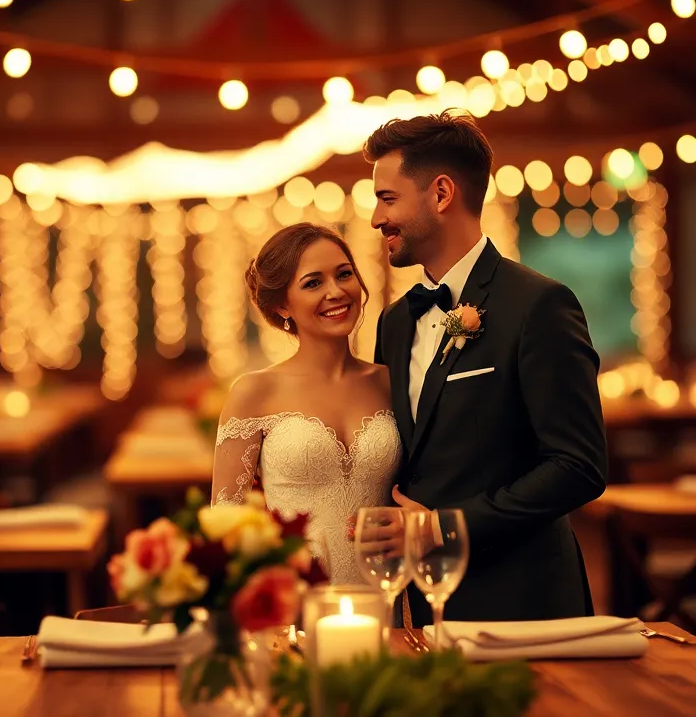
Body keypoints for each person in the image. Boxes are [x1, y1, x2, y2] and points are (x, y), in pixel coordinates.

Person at [366, 109, 608, 623]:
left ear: (441, 194)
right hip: (423, 606)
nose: (375, 218)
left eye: (387, 199)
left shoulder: (539, 305)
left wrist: (443, 528)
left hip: (522, 603)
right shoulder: (394, 323)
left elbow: (578, 467)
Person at [210, 224, 402, 584]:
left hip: (388, 599)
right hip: (295, 604)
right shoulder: (254, 392)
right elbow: (225, 529)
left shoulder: (393, 382)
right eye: (313, 283)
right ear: (282, 303)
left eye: (344, 274)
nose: (336, 291)